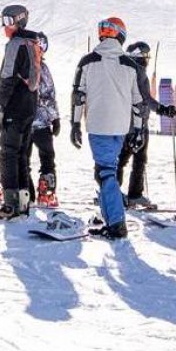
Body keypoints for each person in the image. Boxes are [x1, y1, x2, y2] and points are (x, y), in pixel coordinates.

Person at [69, 17, 143, 238]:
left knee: (106, 173)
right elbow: (137, 101)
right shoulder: (131, 65)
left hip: (98, 125)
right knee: (105, 170)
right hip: (120, 128)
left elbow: (78, 96)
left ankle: (117, 223)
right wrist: (138, 130)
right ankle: (111, 214)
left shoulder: (87, 61)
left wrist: (75, 124)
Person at [0, 4, 43, 219]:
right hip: (30, 104)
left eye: (9, 21)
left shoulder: (15, 44)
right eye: (3, 21)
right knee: (21, 153)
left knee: (8, 153)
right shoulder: (33, 42)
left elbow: (7, 77)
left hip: (15, 104)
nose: (6, 26)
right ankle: (23, 200)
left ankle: (11, 204)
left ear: (20, 21)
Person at [120, 40, 175, 209]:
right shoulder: (139, 72)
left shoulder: (123, 70)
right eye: (146, 56)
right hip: (138, 123)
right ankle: (135, 195)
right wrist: (163, 109)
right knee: (139, 158)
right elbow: (146, 98)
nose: (147, 60)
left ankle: (111, 190)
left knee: (120, 158)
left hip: (122, 122)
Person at [31, 32, 61, 207]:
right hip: (39, 122)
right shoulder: (41, 69)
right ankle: (45, 194)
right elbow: (48, 96)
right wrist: (54, 117)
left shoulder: (24, 66)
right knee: (47, 158)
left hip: (27, 123)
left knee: (24, 159)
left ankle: (27, 193)